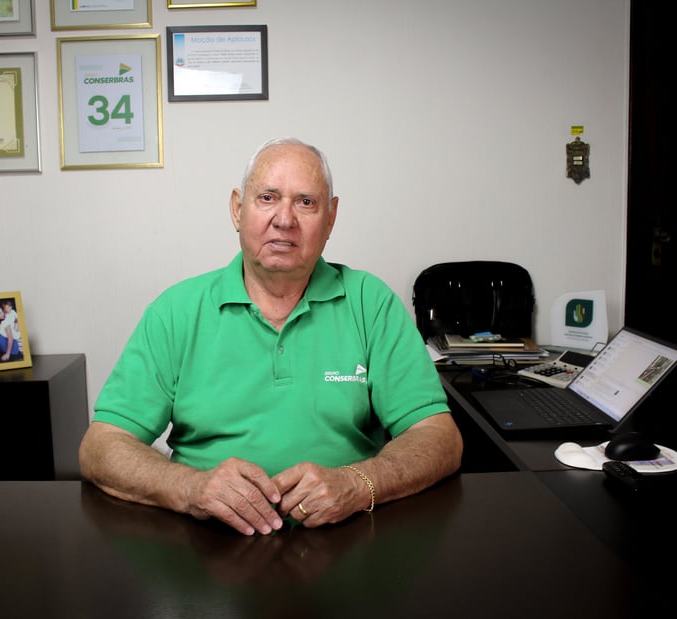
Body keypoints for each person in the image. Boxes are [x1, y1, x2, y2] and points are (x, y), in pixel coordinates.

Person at [79, 137, 463, 536]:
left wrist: (356, 483)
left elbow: (438, 437)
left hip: (345, 536)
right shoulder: (175, 312)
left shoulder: (371, 303)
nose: (285, 219)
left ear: (330, 218)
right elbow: (101, 446)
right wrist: (191, 488)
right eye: (267, 197)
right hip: (205, 541)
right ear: (236, 208)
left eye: (306, 202)